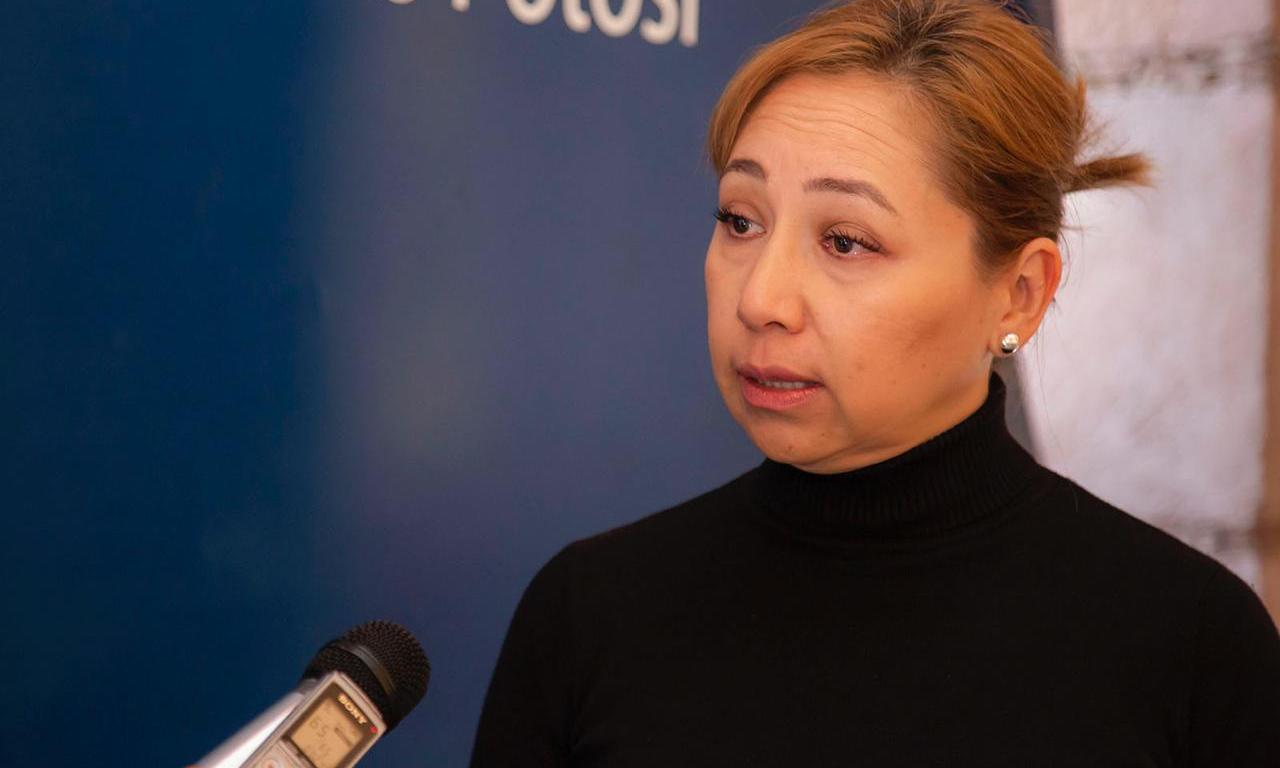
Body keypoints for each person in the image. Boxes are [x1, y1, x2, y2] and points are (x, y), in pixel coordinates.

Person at [469, 0, 1280, 765]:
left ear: (1019, 293)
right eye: (741, 221)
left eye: (847, 241)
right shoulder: (589, 616)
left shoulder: (1192, 649)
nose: (761, 300)